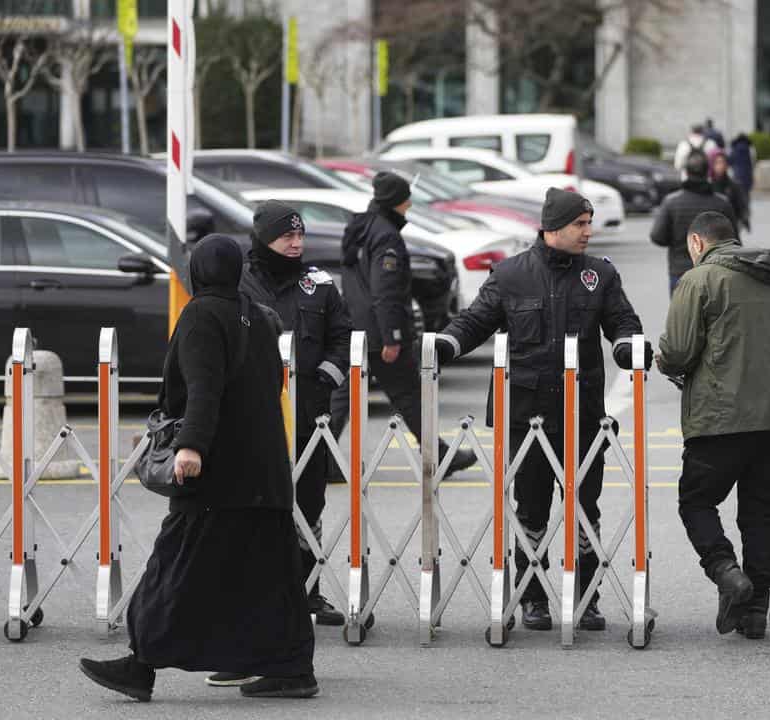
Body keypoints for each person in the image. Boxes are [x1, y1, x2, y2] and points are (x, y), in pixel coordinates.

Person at [79, 235, 318, 701]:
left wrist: (190, 445)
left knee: (175, 565)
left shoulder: (202, 314)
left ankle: (140, 665)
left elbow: (204, 387)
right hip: (264, 473)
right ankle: (289, 669)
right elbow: (271, 386)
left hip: (218, 475)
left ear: (198, 271)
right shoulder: (258, 316)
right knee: (268, 575)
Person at [434, 188, 648, 632]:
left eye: (590, 223)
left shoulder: (600, 276)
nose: (589, 231)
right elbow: (475, 321)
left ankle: (586, 598)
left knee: (584, 507)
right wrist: (446, 345)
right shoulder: (511, 275)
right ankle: (532, 597)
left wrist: (627, 347)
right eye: (580, 224)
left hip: (582, 411)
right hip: (525, 414)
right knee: (529, 508)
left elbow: (623, 322)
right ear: (553, 228)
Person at [657, 211, 770, 641]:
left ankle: (726, 572)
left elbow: (678, 351)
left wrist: (664, 361)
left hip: (720, 418)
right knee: (760, 513)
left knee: (695, 501)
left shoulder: (698, 280)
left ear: (697, 243)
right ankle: (756, 610)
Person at [236, 200, 352, 637]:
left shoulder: (319, 285)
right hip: (256, 417)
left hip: (309, 418)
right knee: (256, 506)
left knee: (310, 504)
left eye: (300, 236)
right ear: (265, 237)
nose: (295, 244)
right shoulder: (239, 283)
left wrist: (327, 375)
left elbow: (343, 337)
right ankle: (258, 595)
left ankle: (308, 589)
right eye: (287, 236)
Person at [340, 171, 476, 474]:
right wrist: (393, 336)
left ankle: (319, 458)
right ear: (397, 201)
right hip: (380, 332)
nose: (411, 204)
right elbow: (385, 290)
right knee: (410, 396)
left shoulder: (360, 227)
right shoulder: (385, 234)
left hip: (359, 329)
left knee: (342, 397)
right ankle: (439, 454)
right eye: (407, 198)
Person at [651, 150, 740, 295]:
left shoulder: (672, 202)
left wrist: (677, 240)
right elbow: (734, 241)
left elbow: (657, 236)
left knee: (681, 316)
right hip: (715, 271)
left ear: (686, 172)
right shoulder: (722, 203)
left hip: (680, 271)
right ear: (708, 172)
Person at [709, 152, 751, 233]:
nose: (720, 166)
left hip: (731, 225)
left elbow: (742, 205)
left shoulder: (734, 186)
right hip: (712, 226)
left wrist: (744, 219)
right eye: (717, 163)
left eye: (722, 162)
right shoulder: (709, 185)